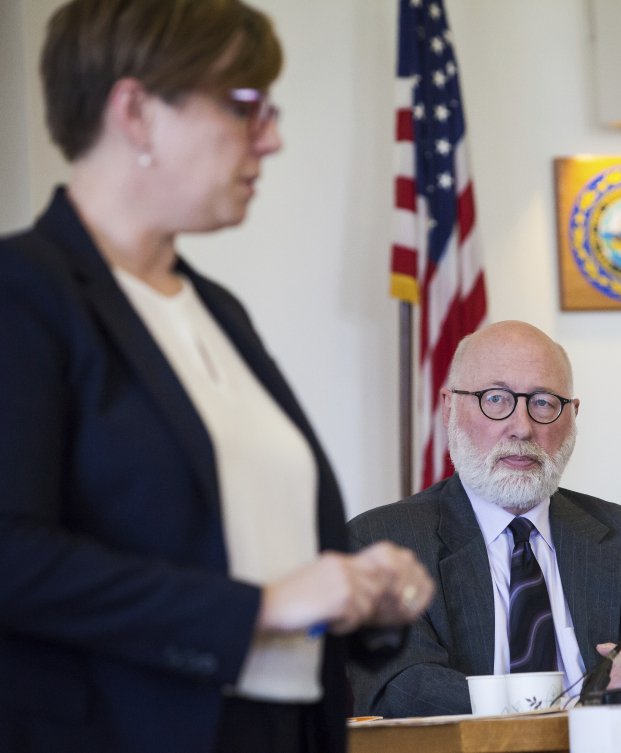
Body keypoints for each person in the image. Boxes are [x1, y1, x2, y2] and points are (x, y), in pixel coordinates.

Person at [0, 1, 434, 752]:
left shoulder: (217, 310)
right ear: (135, 110)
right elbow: (12, 555)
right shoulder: (24, 291)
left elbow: (252, 539)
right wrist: (257, 607)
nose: (270, 137)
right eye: (244, 106)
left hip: (287, 726)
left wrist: (363, 598)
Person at [348, 320, 621, 717]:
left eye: (542, 402)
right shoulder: (382, 544)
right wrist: (585, 705)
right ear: (450, 405)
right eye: (496, 399)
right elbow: (404, 689)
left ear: (572, 415)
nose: (521, 428)